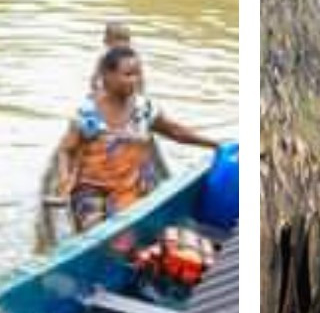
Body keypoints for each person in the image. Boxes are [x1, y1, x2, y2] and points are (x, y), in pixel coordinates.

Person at [55, 47, 219, 231]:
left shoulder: (143, 107)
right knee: (96, 232)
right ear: (108, 76)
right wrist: (64, 179)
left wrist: (216, 145)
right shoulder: (88, 113)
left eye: (137, 74)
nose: (135, 80)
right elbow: (65, 150)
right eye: (128, 75)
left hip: (132, 185)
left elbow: (176, 132)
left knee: (144, 230)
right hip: (93, 188)